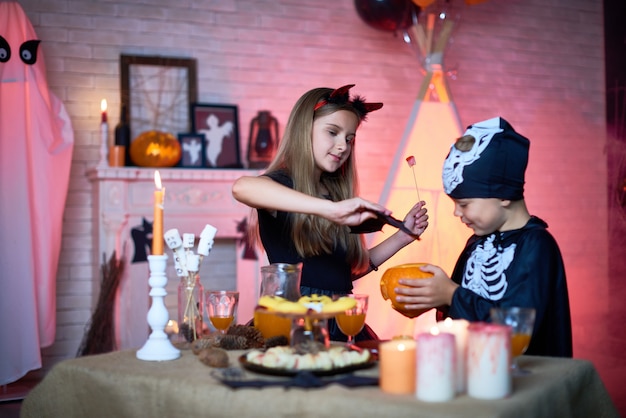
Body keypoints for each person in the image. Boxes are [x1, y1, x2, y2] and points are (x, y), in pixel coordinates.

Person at [232, 84, 429, 342]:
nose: (342, 146)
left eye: (349, 138)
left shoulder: (335, 195)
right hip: (294, 323)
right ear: (304, 130)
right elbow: (242, 187)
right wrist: (330, 210)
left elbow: (341, 274)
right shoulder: (283, 185)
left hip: (341, 322)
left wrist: (403, 236)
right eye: (332, 132)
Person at [395, 117, 573, 357]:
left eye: (464, 203)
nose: (457, 213)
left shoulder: (537, 246)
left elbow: (517, 329)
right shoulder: (476, 243)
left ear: (504, 195)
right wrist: (434, 297)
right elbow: (456, 309)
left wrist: (451, 294)